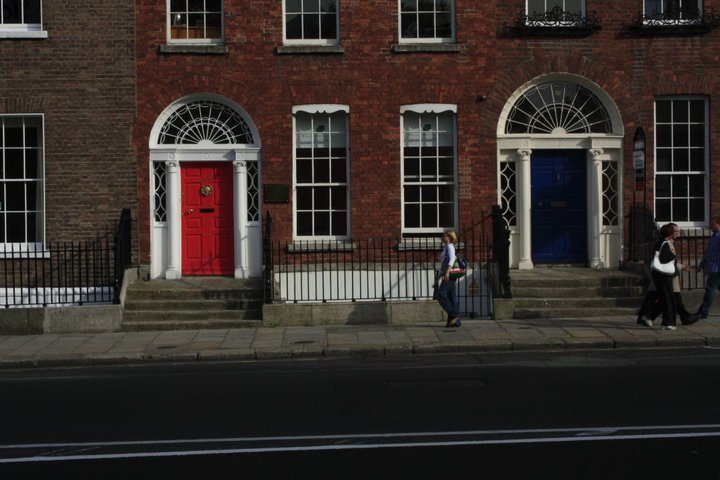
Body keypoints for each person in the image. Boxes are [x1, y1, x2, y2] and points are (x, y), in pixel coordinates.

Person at [638, 223, 696, 329]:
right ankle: (668, 322)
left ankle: (653, 317)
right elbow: (666, 260)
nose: (677, 233)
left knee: (666, 299)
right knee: (669, 300)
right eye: (675, 231)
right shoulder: (666, 244)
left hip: (660, 275)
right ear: (670, 233)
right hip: (665, 275)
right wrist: (674, 257)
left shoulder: (659, 243)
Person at [435, 229, 461, 328]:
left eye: (444, 236)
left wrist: (447, 273)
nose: (442, 237)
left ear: (449, 237)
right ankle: (454, 321)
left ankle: (454, 315)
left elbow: (452, 259)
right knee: (452, 297)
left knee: (440, 295)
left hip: (449, 275)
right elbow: (444, 264)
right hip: (448, 275)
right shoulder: (446, 248)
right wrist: (438, 278)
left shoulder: (450, 246)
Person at [696, 217, 720, 319]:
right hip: (712, 267)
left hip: (717, 269)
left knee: (710, 289)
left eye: (713, 224)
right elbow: (708, 253)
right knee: (713, 288)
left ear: (719, 224)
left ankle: (703, 312)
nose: (711, 226)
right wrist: (701, 265)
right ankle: (702, 311)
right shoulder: (714, 236)